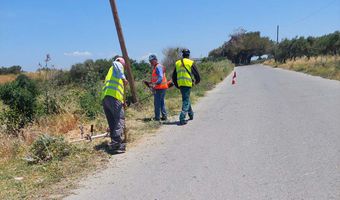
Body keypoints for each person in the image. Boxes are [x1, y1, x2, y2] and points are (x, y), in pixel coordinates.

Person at [101, 57, 128, 152]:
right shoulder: (117, 64)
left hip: (106, 98)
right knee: (119, 119)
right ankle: (116, 143)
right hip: (113, 98)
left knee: (112, 121)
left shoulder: (112, 72)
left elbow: (119, 90)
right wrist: (124, 78)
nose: (123, 67)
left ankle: (115, 142)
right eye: (123, 65)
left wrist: (122, 102)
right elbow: (116, 63)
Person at [172, 49, 200, 125]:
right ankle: (182, 117)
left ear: (182, 55)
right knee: (185, 100)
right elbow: (197, 74)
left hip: (180, 84)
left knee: (186, 98)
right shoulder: (190, 62)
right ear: (188, 55)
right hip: (187, 84)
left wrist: (177, 84)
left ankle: (191, 114)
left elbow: (173, 76)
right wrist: (197, 82)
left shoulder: (177, 63)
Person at [147, 54, 168, 121]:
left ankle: (157, 118)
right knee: (161, 102)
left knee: (157, 103)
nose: (151, 62)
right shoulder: (157, 67)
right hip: (162, 87)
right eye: (150, 61)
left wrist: (155, 84)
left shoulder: (158, 67)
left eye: (152, 61)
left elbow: (160, 77)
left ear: (156, 60)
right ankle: (164, 116)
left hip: (159, 87)